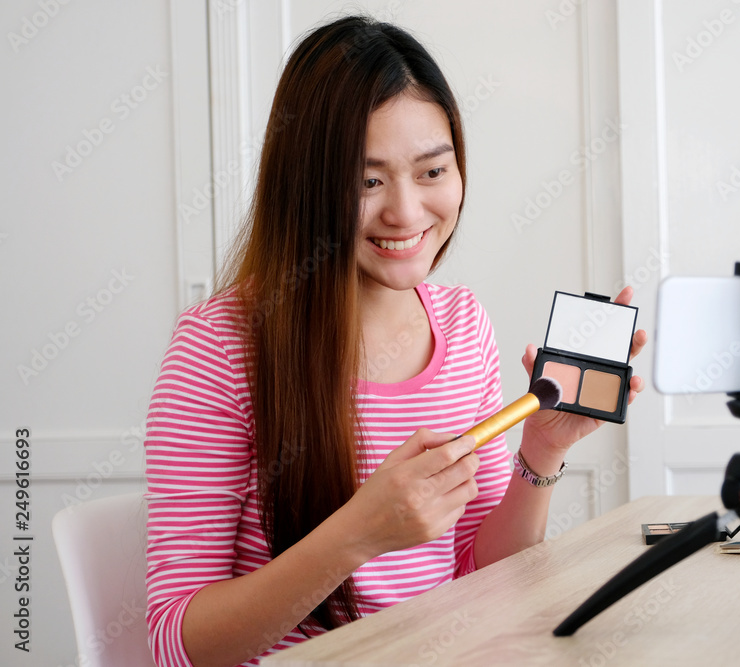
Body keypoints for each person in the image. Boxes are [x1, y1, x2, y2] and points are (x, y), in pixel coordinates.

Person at [143, 15, 646, 667]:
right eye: (367, 180)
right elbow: (174, 642)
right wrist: (356, 535)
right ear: (306, 188)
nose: (406, 213)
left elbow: (483, 570)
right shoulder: (219, 346)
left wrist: (542, 450)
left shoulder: (463, 324)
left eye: (433, 171)